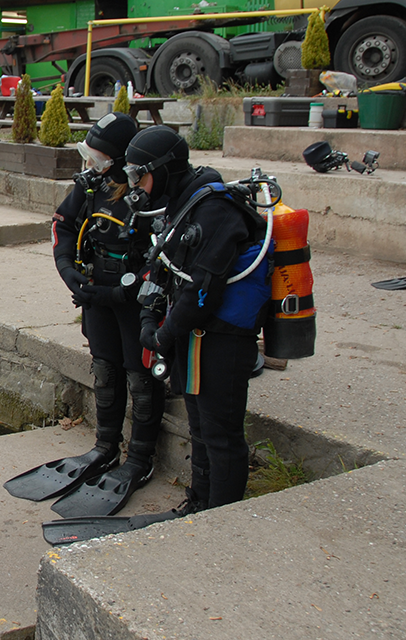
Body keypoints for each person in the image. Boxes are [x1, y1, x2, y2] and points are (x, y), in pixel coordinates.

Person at [3, 113, 166, 519]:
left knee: (139, 377)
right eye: (87, 156)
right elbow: (62, 225)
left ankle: (140, 458)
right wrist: (69, 272)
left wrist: (130, 289)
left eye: (96, 158)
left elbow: (165, 249)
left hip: (133, 298)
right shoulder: (89, 186)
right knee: (105, 370)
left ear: (118, 160)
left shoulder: (145, 192)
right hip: (96, 291)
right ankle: (105, 446)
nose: (89, 165)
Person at [128, 125, 272, 513]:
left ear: (164, 169)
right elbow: (161, 265)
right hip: (195, 334)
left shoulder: (217, 210)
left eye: (139, 173)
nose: (136, 184)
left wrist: (162, 336)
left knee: (221, 432)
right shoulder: (183, 203)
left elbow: (203, 289)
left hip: (224, 336)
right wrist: (148, 316)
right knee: (200, 428)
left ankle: (221, 520)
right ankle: (200, 503)